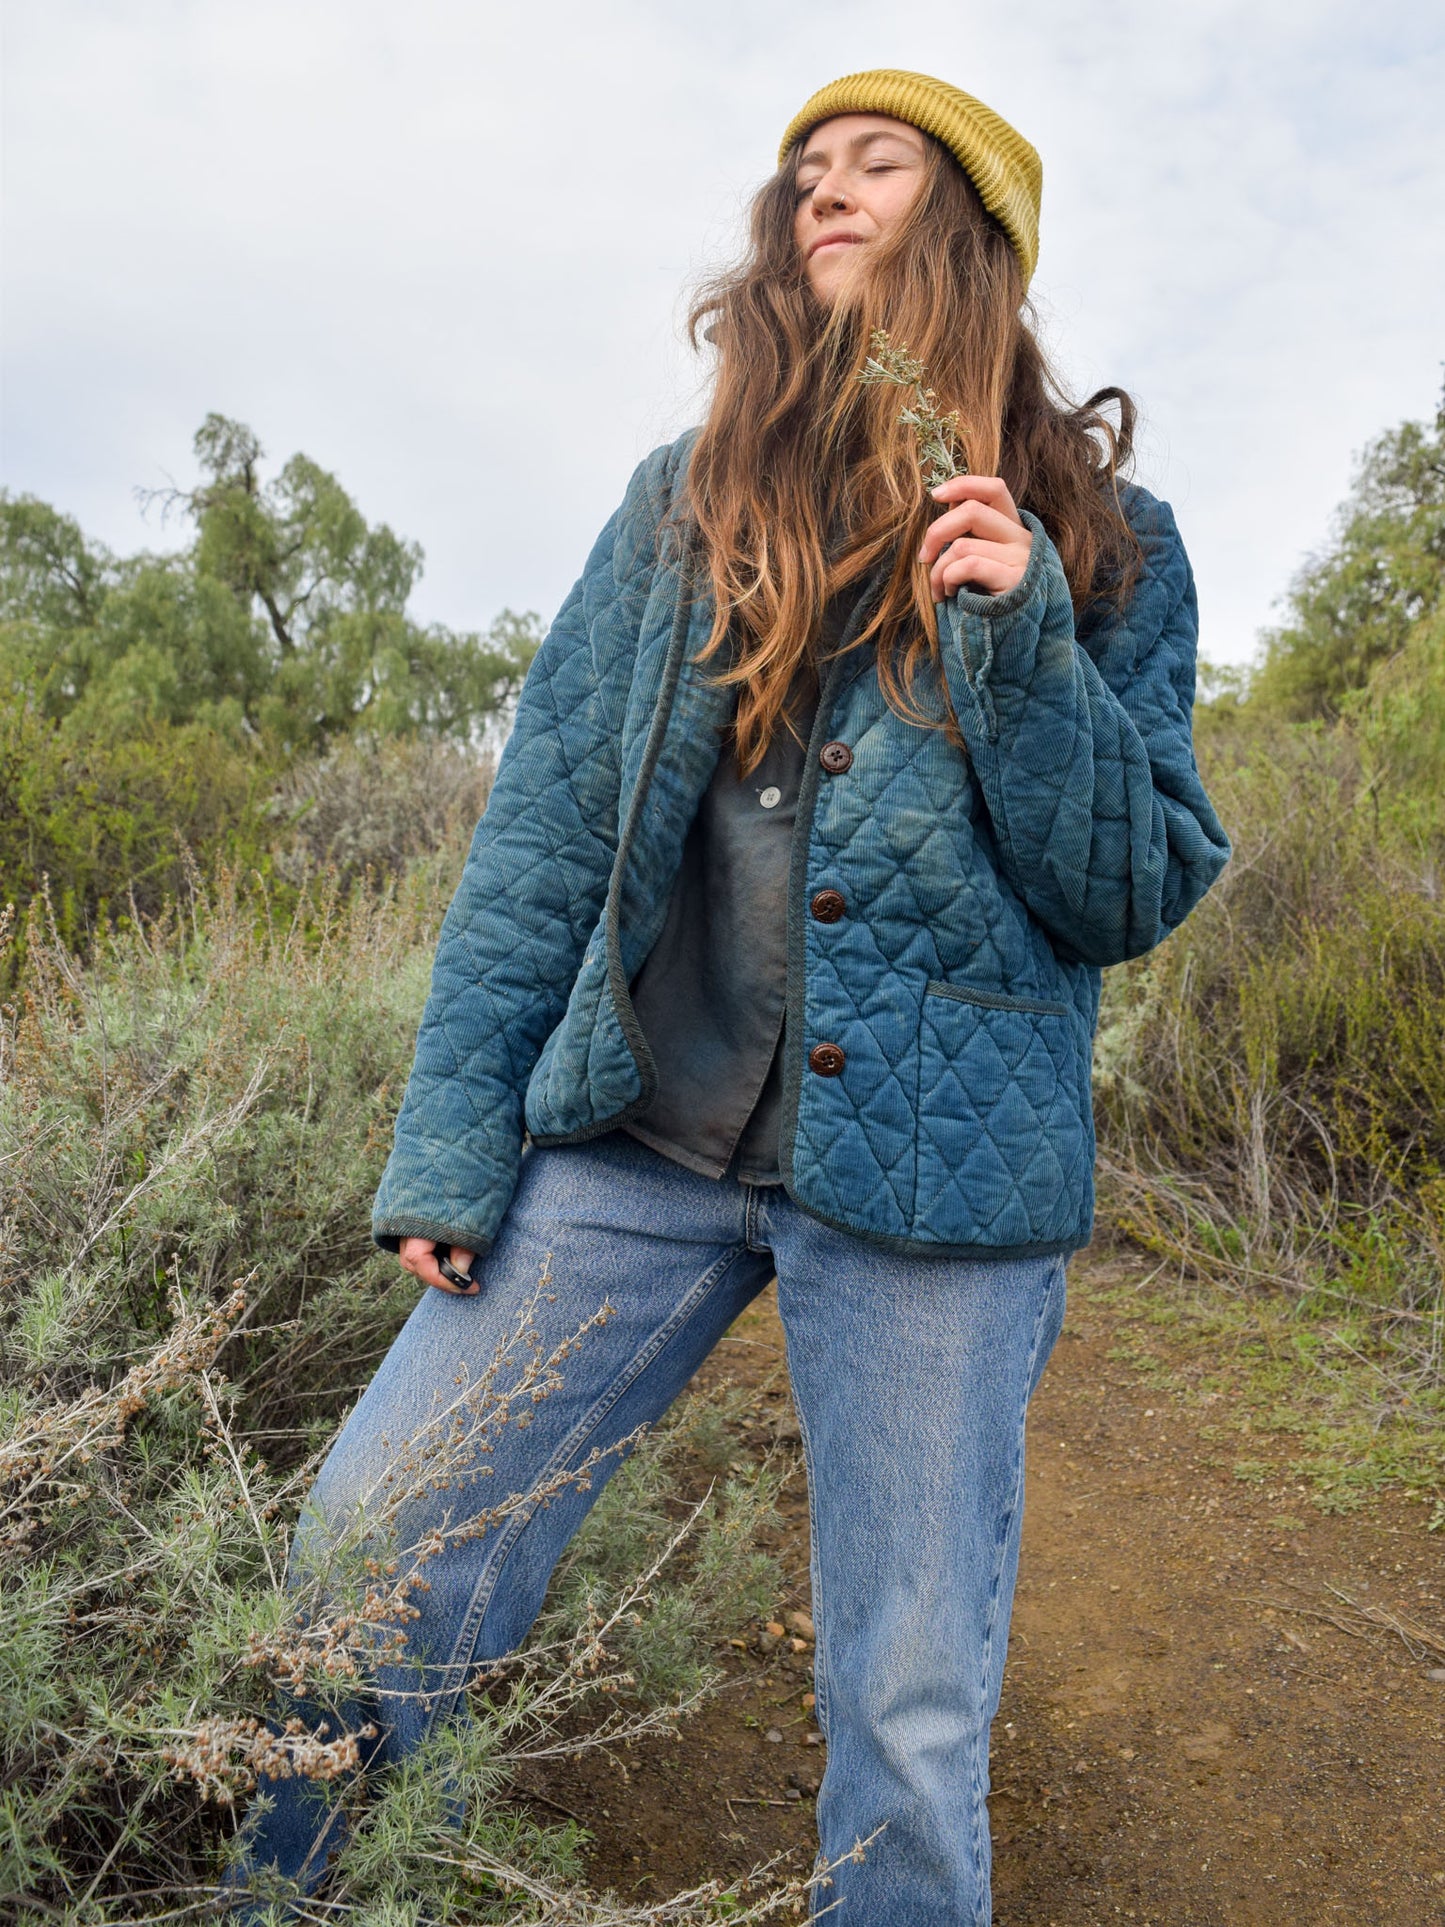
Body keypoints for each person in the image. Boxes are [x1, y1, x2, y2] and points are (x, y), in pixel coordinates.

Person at [229, 68, 1229, 1924]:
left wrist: (1015, 641)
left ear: (970, 233)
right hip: (635, 1137)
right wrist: (453, 1144)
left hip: (939, 1189)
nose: (820, 193)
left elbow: (1134, 887)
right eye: (802, 174)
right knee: (368, 1549)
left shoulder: (1109, 538)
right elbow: (538, 837)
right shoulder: (679, 506)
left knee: (909, 1708)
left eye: (875, 163)